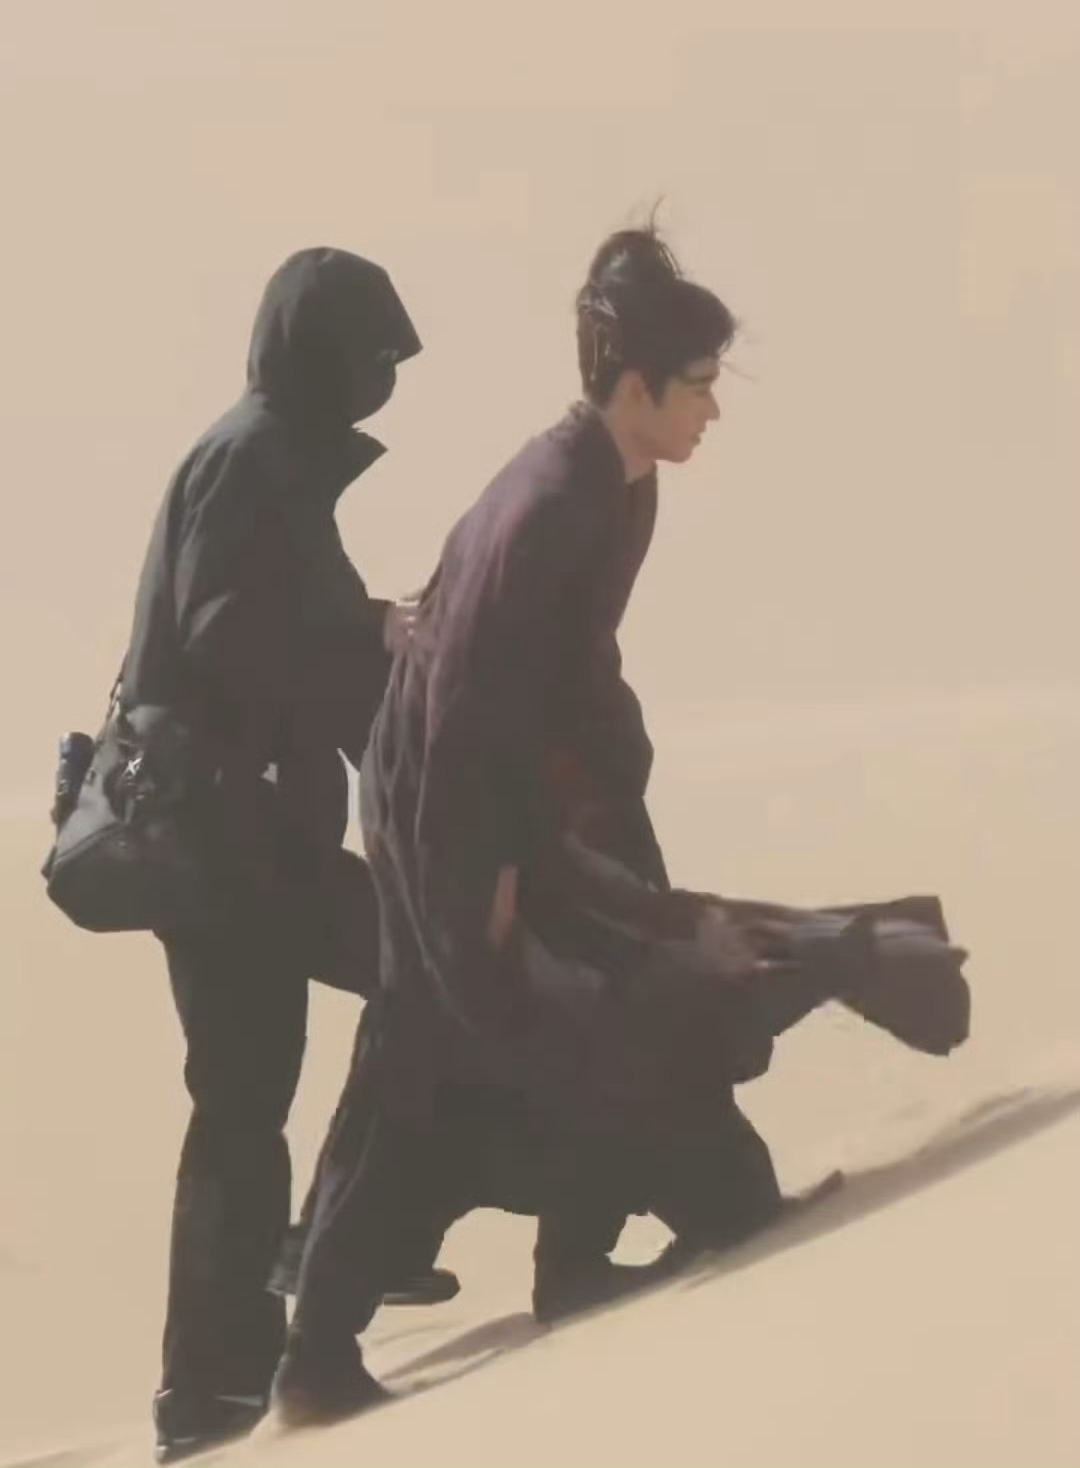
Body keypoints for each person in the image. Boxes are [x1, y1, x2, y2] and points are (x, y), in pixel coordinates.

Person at [270, 226, 969, 1427]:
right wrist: (484, 883)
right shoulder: (549, 500)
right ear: (635, 388)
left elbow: (572, 661)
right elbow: (467, 705)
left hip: (521, 794)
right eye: (697, 386)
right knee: (436, 1059)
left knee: (608, 998)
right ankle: (317, 1361)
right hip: (442, 805)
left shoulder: (622, 483)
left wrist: (610, 779)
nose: (712, 410)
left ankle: (588, 1257)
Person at [109, 247, 451, 1464]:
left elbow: (329, 666)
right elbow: (232, 640)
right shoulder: (252, 461)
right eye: (370, 354)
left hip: (255, 846)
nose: (383, 377)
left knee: (375, 1006)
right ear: (317, 355)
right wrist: (369, 627)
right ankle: (224, 1374)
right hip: (221, 852)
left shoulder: (279, 463)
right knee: (260, 1089)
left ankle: (326, 1261)